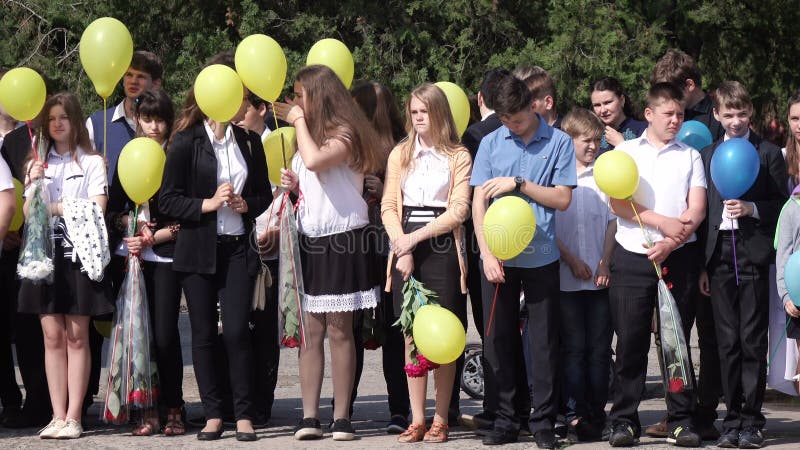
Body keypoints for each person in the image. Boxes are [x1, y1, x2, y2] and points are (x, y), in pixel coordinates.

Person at [159, 54, 271, 442]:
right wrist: (206, 204)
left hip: (238, 247)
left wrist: (246, 205)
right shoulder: (185, 142)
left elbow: (264, 196)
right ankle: (212, 415)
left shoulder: (250, 142)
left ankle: (243, 414)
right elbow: (167, 201)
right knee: (204, 333)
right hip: (197, 249)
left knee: (238, 331)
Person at [273, 64, 382, 441]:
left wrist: (299, 121)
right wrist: (292, 183)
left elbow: (319, 160)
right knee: (310, 331)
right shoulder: (307, 136)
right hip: (310, 236)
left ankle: (341, 416)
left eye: (300, 95)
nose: (294, 102)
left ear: (317, 96)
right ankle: (308, 415)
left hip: (342, 238)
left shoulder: (346, 133)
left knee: (339, 329)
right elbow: (310, 174)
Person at [471, 73, 575, 449]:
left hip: (541, 255)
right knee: (497, 340)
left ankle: (543, 421)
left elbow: (563, 199)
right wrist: (485, 253)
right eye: (504, 120)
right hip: (498, 256)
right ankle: (505, 417)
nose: (510, 126)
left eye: (515, 119)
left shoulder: (559, 142)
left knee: (544, 341)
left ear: (533, 105)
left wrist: (519, 184)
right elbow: (478, 201)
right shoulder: (490, 143)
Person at [605, 83, 706, 448]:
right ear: (649, 114)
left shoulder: (689, 156)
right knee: (630, 341)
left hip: (678, 257)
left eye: (680, 114)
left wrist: (670, 241)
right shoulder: (627, 152)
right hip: (632, 256)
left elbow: (696, 209)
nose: (676, 121)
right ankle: (624, 420)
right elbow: (619, 204)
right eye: (669, 114)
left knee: (675, 342)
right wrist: (662, 223)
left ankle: (680, 419)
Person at [696, 81, 787, 448]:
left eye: (742, 113)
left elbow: (782, 204)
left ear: (751, 113)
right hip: (718, 256)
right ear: (716, 115)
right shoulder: (706, 154)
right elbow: (702, 216)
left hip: (751, 252)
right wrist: (702, 265)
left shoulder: (767, 153)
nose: (735, 121)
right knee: (726, 341)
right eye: (728, 114)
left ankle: (752, 419)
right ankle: (730, 418)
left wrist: (752, 209)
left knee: (751, 339)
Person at [380, 83, 471, 443]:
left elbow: (460, 210)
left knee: (443, 332)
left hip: (442, 245)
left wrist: (413, 240)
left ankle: (441, 417)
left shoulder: (458, 155)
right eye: (414, 112)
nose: (419, 119)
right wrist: (401, 248)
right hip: (403, 244)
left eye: (425, 111)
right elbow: (388, 206)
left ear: (439, 113)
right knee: (411, 334)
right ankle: (416, 418)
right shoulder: (399, 153)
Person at [18, 93, 111, 439]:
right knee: (51, 336)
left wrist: (55, 207)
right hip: (43, 258)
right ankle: (56, 415)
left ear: (75, 120)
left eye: (63, 117)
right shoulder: (37, 164)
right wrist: (35, 183)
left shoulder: (91, 162)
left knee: (76, 336)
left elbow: (98, 207)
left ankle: (74, 416)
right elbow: (29, 215)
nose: (57, 123)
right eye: (52, 118)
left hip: (79, 258)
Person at [648, 49, 724, 440]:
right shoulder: (668, 126)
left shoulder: (717, 117)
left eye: (677, 97)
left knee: (708, 335)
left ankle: (705, 413)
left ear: (690, 87)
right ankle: (677, 409)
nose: (673, 114)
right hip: (677, 239)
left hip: (708, 243)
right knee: (673, 332)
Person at [106, 88, 186, 436]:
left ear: (169, 123)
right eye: (147, 119)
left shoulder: (177, 157)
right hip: (133, 259)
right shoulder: (128, 156)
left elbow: (186, 217)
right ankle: (146, 410)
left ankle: (175, 407)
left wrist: (156, 236)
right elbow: (113, 212)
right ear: (137, 120)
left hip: (166, 258)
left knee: (166, 336)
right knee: (138, 337)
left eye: (160, 120)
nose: (154, 126)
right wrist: (131, 226)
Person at [350, 80, 410, 433]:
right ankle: (344, 405)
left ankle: (398, 409)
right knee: (353, 326)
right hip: (356, 243)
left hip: (388, 243)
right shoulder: (349, 143)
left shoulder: (404, 147)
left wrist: (385, 182)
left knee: (391, 327)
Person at [555, 108, 616, 443]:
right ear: (569, 140)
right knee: (573, 349)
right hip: (567, 278)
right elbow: (546, 225)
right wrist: (571, 259)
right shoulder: (556, 175)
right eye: (586, 141)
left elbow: (612, 223)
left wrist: (604, 262)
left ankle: (596, 411)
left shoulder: (605, 175)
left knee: (598, 349)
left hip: (598, 278)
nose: (593, 146)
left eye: (597, 140)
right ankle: (574, 411)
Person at [0, 75, 53, 428]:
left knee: (34, 326)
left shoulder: (46, 136)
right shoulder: (10, 144)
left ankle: (41, 400)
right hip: (11, 246)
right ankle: (12, 400)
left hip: (44, 246)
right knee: (8, 329)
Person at [458, 67, 508, 432]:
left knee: (490, 326)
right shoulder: (529, 131)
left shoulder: (474, 135)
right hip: (525, 238)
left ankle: (496, 406)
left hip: (484, 241)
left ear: (480, 100)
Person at [237, 91, 279, 427]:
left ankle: (263, 402)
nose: (237, 117)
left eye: (243, 110)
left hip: (273, 249)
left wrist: (277, 228)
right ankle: (241, 400)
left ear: (261, 109)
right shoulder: (236, 144)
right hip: (241, 246)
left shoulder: (279, 143)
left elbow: (288, 195)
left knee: (265, 330)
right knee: (237, 327)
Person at [86, 51, 163, 183]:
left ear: (156, 84)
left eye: (141, 76)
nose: (133, 81)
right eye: (129, 74)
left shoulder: (165, 127)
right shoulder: (96, 124)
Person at [589, 77, 646, 154]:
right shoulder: (591, 135)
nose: (603, 110)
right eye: (597, 105)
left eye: (608, 102)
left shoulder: (643, 130)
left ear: (622, 100)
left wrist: (622, 144)